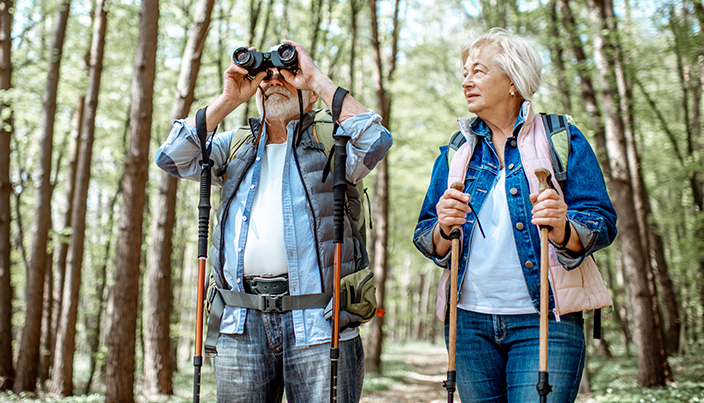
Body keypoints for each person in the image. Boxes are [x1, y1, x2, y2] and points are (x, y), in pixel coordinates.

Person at [156, 40, 392, 403]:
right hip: (241, 322)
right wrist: (229, 99)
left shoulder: (333, 144)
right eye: (265, 78)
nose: (273, 82)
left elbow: (376, 139)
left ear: (310, 96)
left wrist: (315, 78)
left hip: (320, 322)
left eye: (286, 77)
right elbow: (172, 157)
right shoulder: (235, 147)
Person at [413, 28, 617, 402]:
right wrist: (443, 226)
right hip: (467, 323)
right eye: (464, 73)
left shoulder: (563, 139)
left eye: (478, 71)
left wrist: (562, 226)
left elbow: (601, 222)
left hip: (546, 320)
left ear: (512, 81)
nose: (466, 81)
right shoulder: (456, 150)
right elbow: (427, 235)